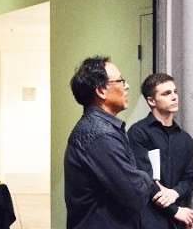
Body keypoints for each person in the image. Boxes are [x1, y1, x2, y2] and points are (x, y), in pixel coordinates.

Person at [64, 56, 155, 229]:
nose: (127, 86)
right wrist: (145, 175)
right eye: (120, 81)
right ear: (101, 91)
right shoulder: (101, 136)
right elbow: (135, 197)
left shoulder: (100, 128)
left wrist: (137, 176)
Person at [127, 73, 193, 229]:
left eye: (175, 92)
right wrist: (174, 210)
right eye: (166, 93)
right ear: (151, 101)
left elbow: (189, 179)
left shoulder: (185, 139)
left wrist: (174, 193)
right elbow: (142, 179)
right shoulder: (138, 132)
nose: (174, 97)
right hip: (148, 220)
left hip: (177, 222)